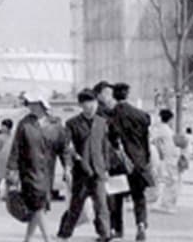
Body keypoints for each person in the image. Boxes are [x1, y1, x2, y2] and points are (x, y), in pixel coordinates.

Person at [56, 88, 110, 242]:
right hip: (81, 171)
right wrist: (67, 167)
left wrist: (106, 167)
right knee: (76, 206)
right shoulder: (72, 123)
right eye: (87, 103)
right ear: (81, 105)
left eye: (93, 102)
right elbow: (67, 148)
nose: (91, 106)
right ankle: (65, 234)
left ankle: (104, 234)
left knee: (101, 206)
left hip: (99, 171)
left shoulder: (102, 122)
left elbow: (105, 147)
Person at [108, 82, 153, 241]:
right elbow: (146, 141)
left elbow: (110, 141)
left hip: (118, 163)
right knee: (139, 196)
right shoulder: (141, 115)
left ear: (114, 96)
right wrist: (146, 160)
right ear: (127, 95)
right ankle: (141, 224)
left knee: (116, 196)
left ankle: (116, 229)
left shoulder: (110, 115)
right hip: (138, 161)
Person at [7, 92, 54, 242]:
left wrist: (67, 164)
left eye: (34, 103)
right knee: (38, 205)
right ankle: (48, 239)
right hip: (29, 170)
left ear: (42, 105)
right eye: (29, 103)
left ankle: (28, 239)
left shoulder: (54, 123)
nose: (30, 106)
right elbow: (16, 147)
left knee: (37, 207)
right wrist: (12, 168)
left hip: (47, 170)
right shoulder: (24, 123)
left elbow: (62, 145)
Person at [150, 108, 179, 214]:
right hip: (167, 158)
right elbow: (154, 140)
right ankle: (165, 204)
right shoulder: (164, 129)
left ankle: (164, 203)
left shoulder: (162, 129)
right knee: (169, 181)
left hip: (168, 158)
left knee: (168, 180)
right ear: (170, 119)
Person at [0, 118, 14, 199]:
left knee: (8, 177)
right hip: (1, 159)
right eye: (2, 126)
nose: (2, 128)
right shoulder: (0, 137)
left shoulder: (12, 136)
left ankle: (7, 193)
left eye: (4, 126)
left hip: (10, 158)